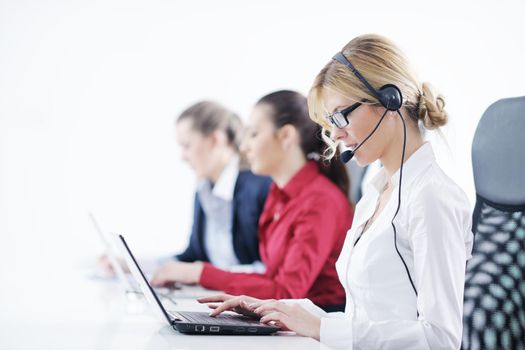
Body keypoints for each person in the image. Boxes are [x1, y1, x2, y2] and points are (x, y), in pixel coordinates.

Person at [199, 34, 473, 350]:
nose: (337, 133)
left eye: (342, 114)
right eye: (331, 121)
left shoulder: (431, 198)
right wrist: (284, 309)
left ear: (389, 100)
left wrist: (320, 327)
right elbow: (368, 319)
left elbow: (440, 339)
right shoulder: (375, 195)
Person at [152, 90, 353, 311]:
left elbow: (286, 292)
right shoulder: (279, 196)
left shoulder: (320, 201)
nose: (244, 146)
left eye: (254, 134)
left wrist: (201, 273)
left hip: (316, 327)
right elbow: (271, 278)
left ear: (286, 136)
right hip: (283, 317)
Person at [100, 101, 271, 275]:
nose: (183, 157)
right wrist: (132, 265)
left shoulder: (259, 188)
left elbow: (270, 269)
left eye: (186, 146)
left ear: (215, 139)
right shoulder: (204, 190)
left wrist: (203, 275)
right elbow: (192, 257)